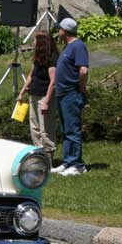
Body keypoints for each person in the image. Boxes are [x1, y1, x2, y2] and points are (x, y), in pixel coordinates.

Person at [52, 18, 90, 176]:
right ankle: (68, 161)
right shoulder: (68, 47)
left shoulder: (78, 46)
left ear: (65, 31)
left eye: (59, 29)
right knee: (66, 129)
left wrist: (81, 87)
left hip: (71, 94)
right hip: (62, 94)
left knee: (73, 129)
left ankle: (78, 165)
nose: (57, 31)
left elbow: (83, 70)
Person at [18, 31, 58, 161]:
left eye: (35, 40)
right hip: (33, 95)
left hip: (44, 97)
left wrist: (46, 100)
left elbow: (53, 81)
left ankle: (48, 158)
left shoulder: (52, 57)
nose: (33, 42)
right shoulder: (37, 56)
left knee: (45, 129)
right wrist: (22, 91)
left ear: (42, 42)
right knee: (34, 127)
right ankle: (39, 155)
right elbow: (31, 75)